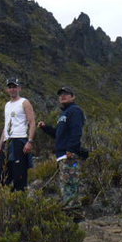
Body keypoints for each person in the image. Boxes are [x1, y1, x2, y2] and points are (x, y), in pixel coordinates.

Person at [38, 86, 86, 215]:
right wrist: (46, 128)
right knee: (66, 185)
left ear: (73, 96)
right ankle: (69, 214)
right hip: (62, 155)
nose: (62, 96)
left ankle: (75, 215)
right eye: (61, 95)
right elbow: (59, 135)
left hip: (69, 155)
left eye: (66, 94)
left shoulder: (75, 111)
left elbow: (76, 131)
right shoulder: (64, 114)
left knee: (71, 184)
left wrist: (71, 149)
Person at [0, 77, 36, 191]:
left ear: (19, 88)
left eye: (14, 87)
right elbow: (6, 126)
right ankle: (6, 197)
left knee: (19, 173)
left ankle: (20, 197)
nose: (12, 89)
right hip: (7, 141)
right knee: (1, 172)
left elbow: (32, 122)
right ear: (7, 90)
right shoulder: (7, 105)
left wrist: (30, 141)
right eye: (10, 87)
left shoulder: (24, 102)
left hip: (19, 140)